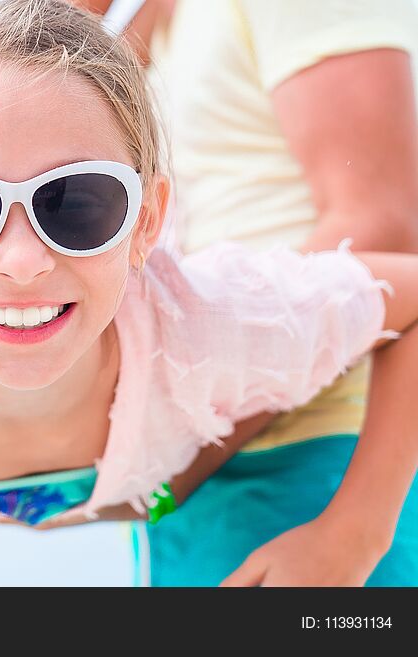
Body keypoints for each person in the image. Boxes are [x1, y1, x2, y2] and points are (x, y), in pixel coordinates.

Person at [0, 0, 418, 586]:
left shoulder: (210, 332)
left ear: (145, 221)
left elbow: (391, 235)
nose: (20, 261)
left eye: (77, 202)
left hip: (302, 431)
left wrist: (354, 527)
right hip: (172, 490)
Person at [77, 0, 418, 585]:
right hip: (209, 474)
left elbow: (386, 228)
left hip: (319, 462)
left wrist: (355, 530)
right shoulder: (162, 27)